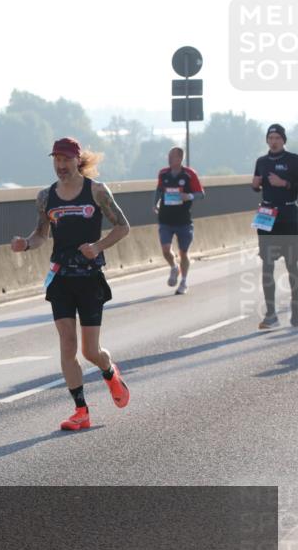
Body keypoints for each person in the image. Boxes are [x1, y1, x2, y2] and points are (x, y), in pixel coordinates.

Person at [10, 137, 131, 431]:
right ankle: (81, 411)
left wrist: (98, 246)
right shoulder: (45, 197)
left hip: (89, 278)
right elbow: (41, 235)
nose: (61, 166)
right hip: (61, 277)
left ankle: (109, 371)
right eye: (56, 160)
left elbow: (123, 226)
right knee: (67, 344)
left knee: (91, 351)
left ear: (77, 160)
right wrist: (25, 244)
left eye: (66, 160)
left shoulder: (97, 192)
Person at [250, 123, 298, 329]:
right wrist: (254, 185)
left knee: (292, 267)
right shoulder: (261, 161)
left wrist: (284, 184)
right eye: (270, 138)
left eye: (277, 137)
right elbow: (256, 186)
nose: (274, 141)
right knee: (267, 267)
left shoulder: (294, 160)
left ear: (283, 140)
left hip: (288, 217)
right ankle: (271, 314)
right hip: (267, 218)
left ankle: (296, 313)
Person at [153, 147, 204, 295]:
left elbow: (201, 194)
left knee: (184, 253)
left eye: (172, 157)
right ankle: (174, 267)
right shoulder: (163, 173)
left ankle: (183, 282)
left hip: (183, 220)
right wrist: (154, 203)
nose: (169, 159)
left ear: (180, 158)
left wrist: (189, 196)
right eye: (168, 156)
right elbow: (158, 190)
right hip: (165, 218)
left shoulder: (189, 174)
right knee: (165, 249)